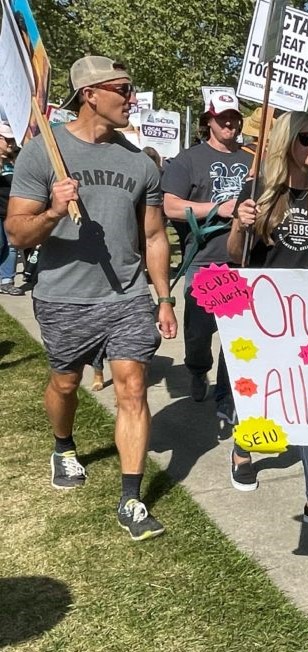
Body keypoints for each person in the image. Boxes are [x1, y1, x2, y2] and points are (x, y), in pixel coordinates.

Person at [6, 55, 176, 541]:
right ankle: (63, 445)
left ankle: (131, 499)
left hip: (125, 295)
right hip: (64, 297)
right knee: (65, 384)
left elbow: (156, 236)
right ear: (90, 94)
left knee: (132, 386)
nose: (131, 98)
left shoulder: (138, 161)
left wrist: (163, 298)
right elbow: (17, 234)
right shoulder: (43, 153)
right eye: (123, 89)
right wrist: (56, 210)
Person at [226, 111, 308, 534]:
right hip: (262, 317)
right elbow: (233, 255)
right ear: (285, 143)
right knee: (266, 397)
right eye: (306, 138)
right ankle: (243, 449)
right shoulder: (257, 192)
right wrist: (240, 225)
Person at [161, 88, 253, 488]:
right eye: (223, 118)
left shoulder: (253, 161)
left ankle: (225, 400)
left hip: (243, 263)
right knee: (200, 333)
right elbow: (169, 206)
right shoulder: (187, 160)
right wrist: (219, 208)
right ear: (208, 120)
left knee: (236, 340)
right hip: (205, 262)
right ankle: (196, 367)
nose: (230, 124)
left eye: (235, 117)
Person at [0, 121, 24, 295]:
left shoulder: (17, 159)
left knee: (12, 245)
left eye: (12, 140)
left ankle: (7, 280)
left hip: (11, 210)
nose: (10, 144)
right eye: (6, 140)